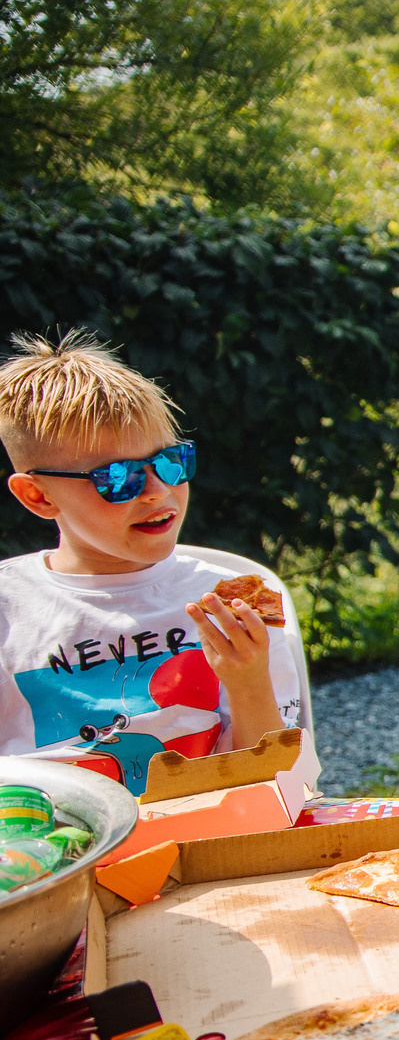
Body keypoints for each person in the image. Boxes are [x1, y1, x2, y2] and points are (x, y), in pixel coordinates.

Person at [0, 331, 313, 795]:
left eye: (170, 462)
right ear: (38, 495)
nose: (157, 491)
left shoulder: (236, 599)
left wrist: (247, 681)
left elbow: (281, 786)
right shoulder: (9, 610)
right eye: (117, 478)